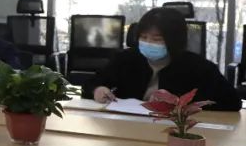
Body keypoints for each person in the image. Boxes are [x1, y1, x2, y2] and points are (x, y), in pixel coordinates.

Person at [89, 7, 241, 111]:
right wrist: (97, 89)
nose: (148, 43)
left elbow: (232, 102)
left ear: (174, 40)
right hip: (126, 125)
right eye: (143, 37)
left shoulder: (198, 67)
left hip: (174, 129)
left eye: (157, 39)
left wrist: (179, 103)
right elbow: (91, 83)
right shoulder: (125, 59)